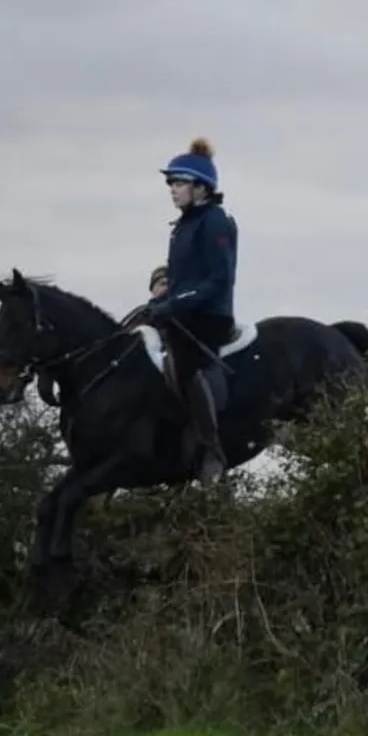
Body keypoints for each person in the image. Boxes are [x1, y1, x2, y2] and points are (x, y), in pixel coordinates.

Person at [144, 137, 238, 484]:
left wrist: (175, 304)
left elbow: (218, 279)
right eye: (171, 183)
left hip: (209, 315)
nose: (172, 190)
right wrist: (160, 296)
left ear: (201, 188)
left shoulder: (215, 221)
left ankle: (212, 449)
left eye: (179, 183)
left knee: (181, 363)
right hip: (182, 311)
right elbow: (182, 277)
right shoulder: (183, 225)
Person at [120, 265, 169, 330]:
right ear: (153, 289)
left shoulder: (183, 314)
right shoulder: (140, 313)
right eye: (163, 284)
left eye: (171, 285)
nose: (167, 288)